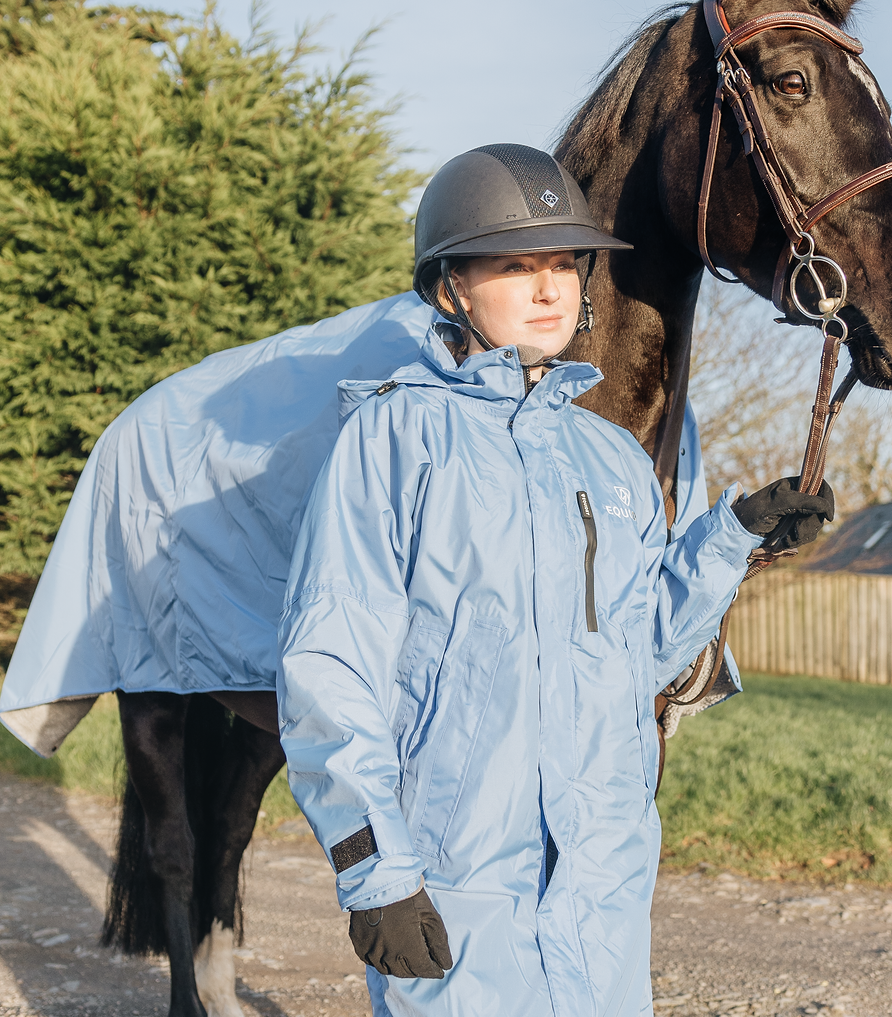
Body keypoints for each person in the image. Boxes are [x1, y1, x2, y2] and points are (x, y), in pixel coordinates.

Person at [276, 144, 833, 1017]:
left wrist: (732, 541)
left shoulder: (607, 455)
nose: (549, 289)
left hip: (602, 876)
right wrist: (375, 870)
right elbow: (328, 666)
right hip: (463, 874)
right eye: (514, 266)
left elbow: (637, 654)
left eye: (565, 265)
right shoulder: (394, 440)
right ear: (451, 287)